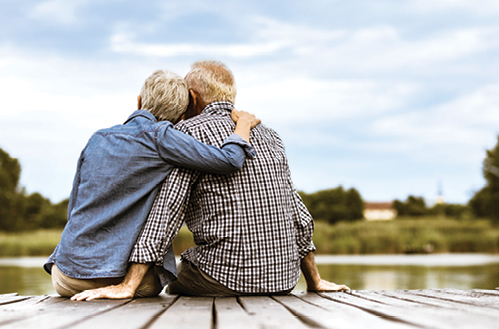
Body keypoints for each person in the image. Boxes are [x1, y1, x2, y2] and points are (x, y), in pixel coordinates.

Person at [71, 61, 347, 301]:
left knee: (170, 278)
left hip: (222, 278)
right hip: (283, 281)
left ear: (191, 98)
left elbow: (166, 212)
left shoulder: (186, 133)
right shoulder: (270, 136)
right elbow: (297, 212)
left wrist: (128, 285)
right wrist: (314, 281)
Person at [44, 69, 260, 298]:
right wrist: (243, 125)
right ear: (181, 117)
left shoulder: (97, 138)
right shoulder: (163, 137)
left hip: (67, 276)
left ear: (138, 102)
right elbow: (230, 160)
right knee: (163, 281)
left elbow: (74, 208)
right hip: (122, 277)